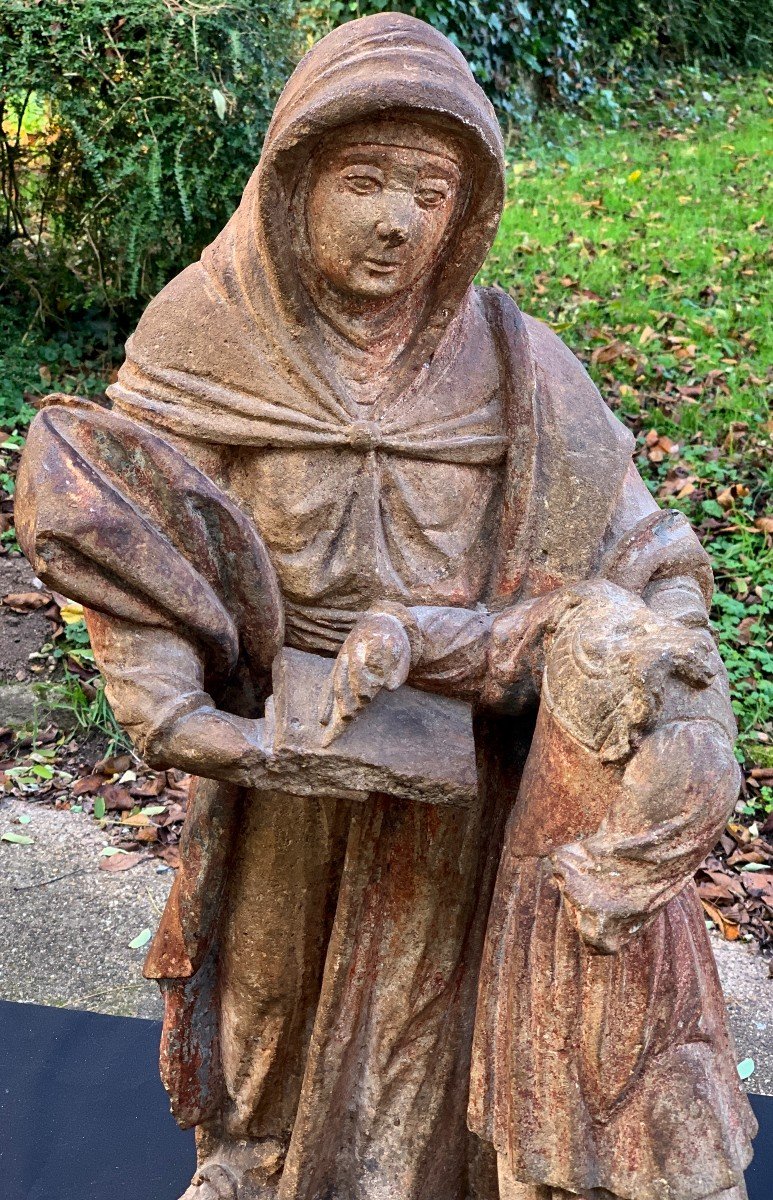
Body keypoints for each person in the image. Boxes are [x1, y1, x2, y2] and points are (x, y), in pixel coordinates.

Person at [16, 14, 755, 1200]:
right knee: (264, 982)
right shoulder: (204, 335)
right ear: (294, 178)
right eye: (361, 180)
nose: (395, 219)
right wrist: (171, 701)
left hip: (456, 746)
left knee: (425, 997)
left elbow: (638, 544)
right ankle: (249, 1157)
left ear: (466, 210)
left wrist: (663, 681)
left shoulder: (516, 364)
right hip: (282, 739)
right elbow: (129, 524)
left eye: (430, 188)